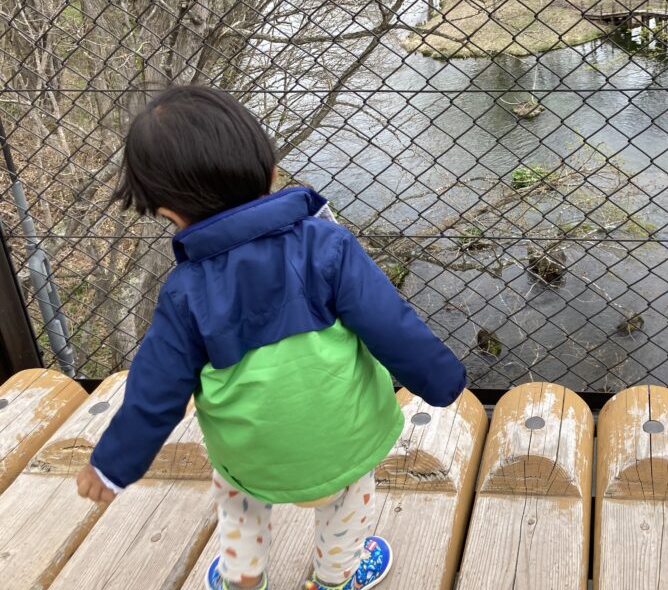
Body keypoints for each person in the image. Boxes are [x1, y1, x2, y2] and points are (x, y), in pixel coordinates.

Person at [75, 85, 467, 590]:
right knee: (349, 502)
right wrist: (441, 380)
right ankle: (335, 578)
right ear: (271, 171)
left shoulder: (184, 292)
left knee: (237, 498)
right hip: (345, 445)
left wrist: (111, 466)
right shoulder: (328, 244)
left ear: (167, 213)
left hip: (252, 460)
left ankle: (243, 578)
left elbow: (155, 392)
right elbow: (390, 324)